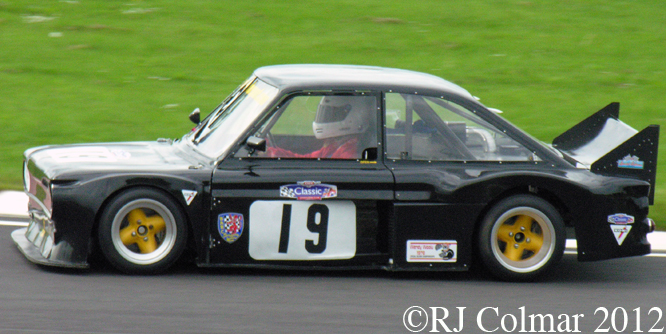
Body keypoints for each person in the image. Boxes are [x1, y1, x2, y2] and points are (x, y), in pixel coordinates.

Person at [265, 95, 375, 159]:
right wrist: (271, 152)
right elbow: (307, 160)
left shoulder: (350, 154)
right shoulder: (337, 145)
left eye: (332, 114)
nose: (326, 118)